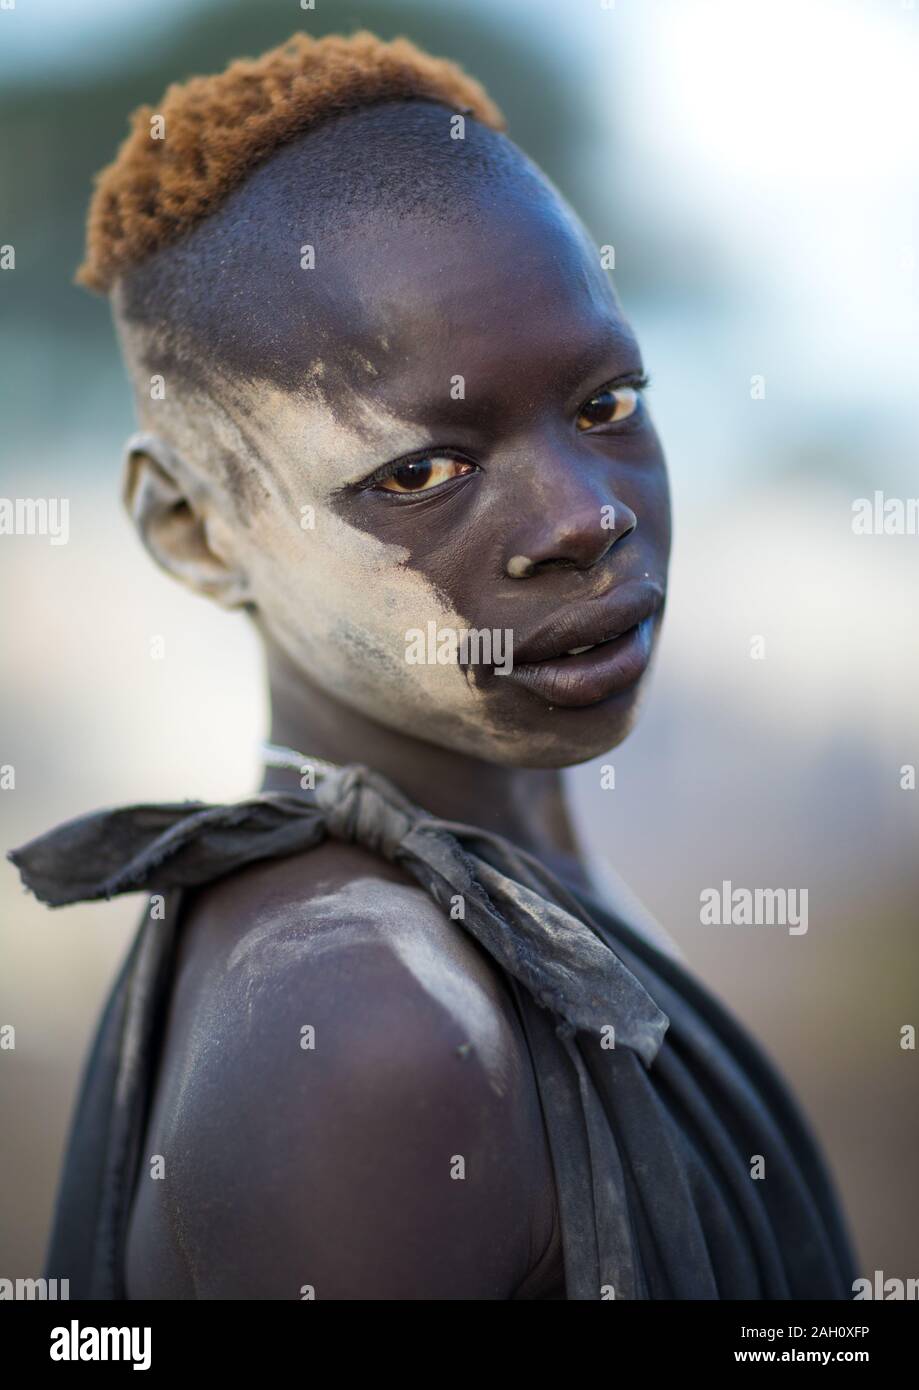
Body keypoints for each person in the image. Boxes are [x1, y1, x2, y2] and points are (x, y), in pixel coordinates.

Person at [10, 30, 856, 1300]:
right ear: (193, 532)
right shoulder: (366, 1028)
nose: (586, 516)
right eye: (418, 473)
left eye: (606, 404)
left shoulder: (508, 900)